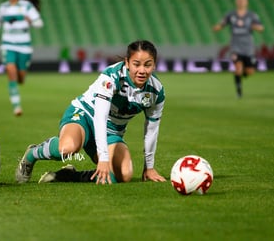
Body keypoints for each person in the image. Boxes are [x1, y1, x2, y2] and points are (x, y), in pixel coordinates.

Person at [16, 40, 166, 185]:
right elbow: (99, 117)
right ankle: (32, 153)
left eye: (147, 65)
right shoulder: (111, 77)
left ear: (154, 65)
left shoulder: (156, 91)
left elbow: (152, 129)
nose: (142, 70)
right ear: (127, 63)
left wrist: (149, 167)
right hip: (85, 115)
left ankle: (70, 175)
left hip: (112, 131)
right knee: (67, 148)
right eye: (136, 64)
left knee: (124, 175)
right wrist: (104, 158)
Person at [0, 0, 44, 116]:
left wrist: (31, 20)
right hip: (8, 44)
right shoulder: (3, 7)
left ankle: (21, 76)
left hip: (24, 46)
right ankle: (17, 107)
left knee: (21, 77)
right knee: (11, 71)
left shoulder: (27, 6)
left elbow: (39, 23)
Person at [213, 0, 264, 98]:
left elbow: (261, 28)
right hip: (235, 46)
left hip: (248, 47)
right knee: (238, 68)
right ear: (236, 2)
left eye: (243, 0)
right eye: (239, 0)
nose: (241, 2)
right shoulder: (231, 15)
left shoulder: (252, 15)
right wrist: (217, 27)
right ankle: (239, 92)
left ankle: (243, 73)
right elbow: (222, 24)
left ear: (246, 2)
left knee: (250, 71)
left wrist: (255, 26)